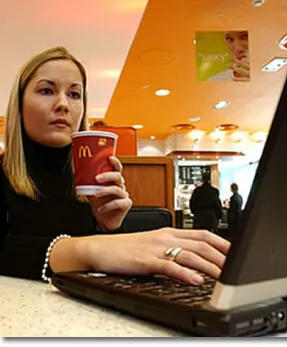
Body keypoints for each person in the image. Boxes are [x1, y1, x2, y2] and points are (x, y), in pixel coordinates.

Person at [0, 46, 230, 287]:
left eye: (74, 94)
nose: (63, 104)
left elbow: (106, 267)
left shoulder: (92, 177)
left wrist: (110, 227)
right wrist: (87, 249)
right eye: (46, 90)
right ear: (19, 103)